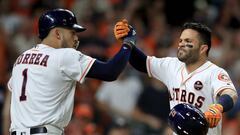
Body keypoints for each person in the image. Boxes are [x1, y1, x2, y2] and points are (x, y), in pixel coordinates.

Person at [7, 9, 136, 135]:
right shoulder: (64, 55)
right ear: (57, 33)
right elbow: (110, 72)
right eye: (72, 33)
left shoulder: (21, 59)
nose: (76, 38)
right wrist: (128, 43)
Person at [114, 20, 238, 135]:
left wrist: (218, 106)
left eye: (188, 41)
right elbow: (142, 63)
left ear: (203, 49)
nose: (182, 44)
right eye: (181, 41)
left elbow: (230, 93)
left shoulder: (214, 72)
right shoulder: (171, 65)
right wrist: (128, 42)